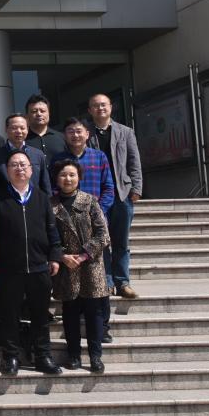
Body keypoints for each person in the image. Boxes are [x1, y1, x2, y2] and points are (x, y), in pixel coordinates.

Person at [0, 150, 63, 376]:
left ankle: (43, 356)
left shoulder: (42, 198)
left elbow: (52, 230)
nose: (19, 168)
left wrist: (55, 256)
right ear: (7, 170)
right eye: (14, 165)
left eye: (23, 165)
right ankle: (10, 357)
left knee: (40, 316)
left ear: (32, 170)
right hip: (9, 269)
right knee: (9, 315)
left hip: (39, 266)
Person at [51, 158, 109, 374]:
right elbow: (47, 237)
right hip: (66, 267)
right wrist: (62, 256)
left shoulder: (90, 201)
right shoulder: (50, 204)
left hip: (90, 265)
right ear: (57, 178)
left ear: (79, 178)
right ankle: (73, 355)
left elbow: (103, 234)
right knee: (70, 313)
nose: (68, 179)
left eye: (72, 175)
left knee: (94, 313)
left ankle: (95, 356)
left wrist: (84, 255)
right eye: (63, 175)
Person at [87, 93, 143, 300]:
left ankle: (123, 282)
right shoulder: (86, 132)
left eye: (104, 105)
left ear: (111, 107)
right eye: (96, 105)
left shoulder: (125, 132)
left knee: (121, 241)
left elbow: (134, 161)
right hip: (97, 195)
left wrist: (136, 188)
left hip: (122, 193)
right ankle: (107, 281)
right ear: (90, 110)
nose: (100, 108)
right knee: (101, 240)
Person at [51, 118, 115, 217]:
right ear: (65, 135)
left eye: (79, 131)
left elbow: (108, 188)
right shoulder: (58, 159)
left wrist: (98, 211)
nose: (75, 135)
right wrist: (61, 210)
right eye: (71, 132)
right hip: (65, 216)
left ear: (87, 134)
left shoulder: (99, 157)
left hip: (95, 216)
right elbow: (53, 187)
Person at [0, 114, 52, 197]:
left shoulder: (37, 154)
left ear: (27, 130)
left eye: (22, 128)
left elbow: (45, 184)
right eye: (14, 128)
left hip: (34, 201)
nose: (19, 131)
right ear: (6, 129)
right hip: (6, 202)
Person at [25, 94, 66, 159]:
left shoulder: (62, 138)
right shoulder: (23, 140)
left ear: (49, 113)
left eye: (42, 111)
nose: (39, 114)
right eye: (34, 111)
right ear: (27, 115)